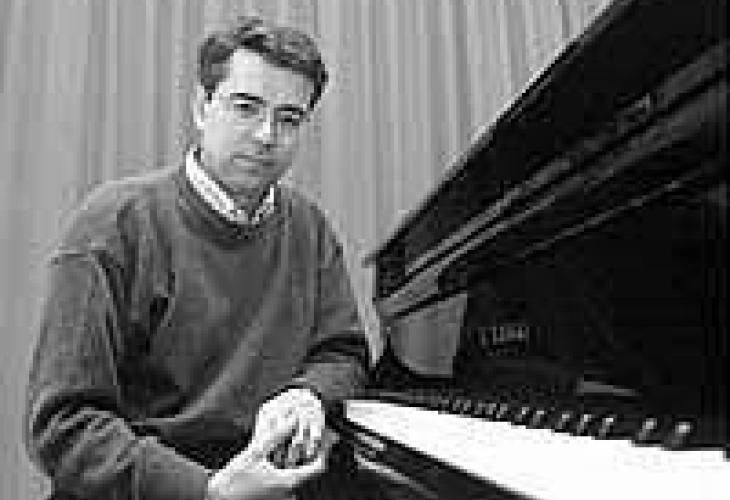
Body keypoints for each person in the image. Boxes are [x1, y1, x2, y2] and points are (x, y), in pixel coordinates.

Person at [24, 16, 377, 500]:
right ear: (201, 107)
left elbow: (344, 354)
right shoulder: (112, 225)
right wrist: (207, 490)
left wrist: (308, 393)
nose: (266, 135)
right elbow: (62, 425)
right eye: (246, 108)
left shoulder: (310, 229)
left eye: (289, 118)